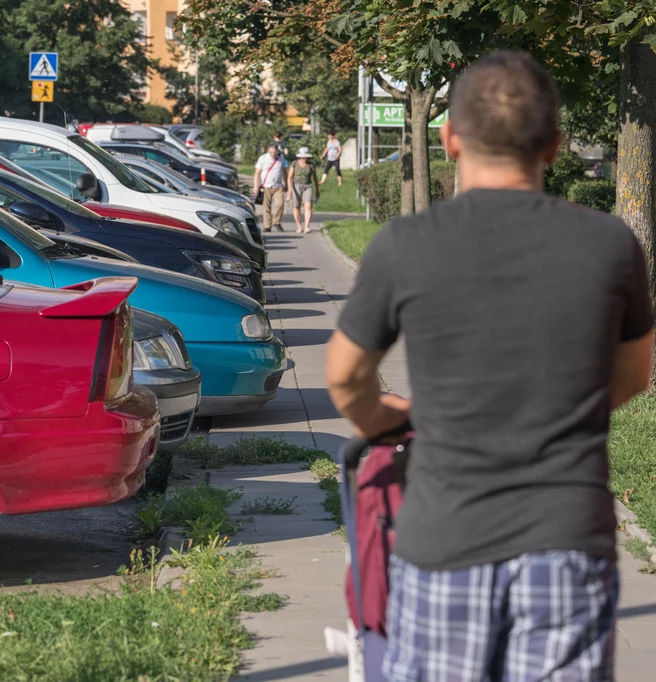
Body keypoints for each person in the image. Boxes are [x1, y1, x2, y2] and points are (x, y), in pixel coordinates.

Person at [325, 50, 653, 682]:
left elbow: (343, 376)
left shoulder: (407, 244)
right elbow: (637, 374)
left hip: (445, 541)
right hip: (567, 540)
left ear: (448, 139)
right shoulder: (611, 245)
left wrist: (391, 417)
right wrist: (561, 407)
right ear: (555, 145)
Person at [253, 142, 287, 232]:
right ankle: (268, 226)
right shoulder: (263, 158)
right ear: (268, 150)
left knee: (280, 204)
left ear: (277, 151)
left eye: (274, 152)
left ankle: (277, 222)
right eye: (271, 152)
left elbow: (284, 171)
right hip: (266, 186)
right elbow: (257, 173)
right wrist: (256, 186)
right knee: (266, 207)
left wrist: (287, 183)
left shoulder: (281, 158)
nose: (273, 154)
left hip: (278, 186)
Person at [288, 146, 319, 234]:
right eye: (302, 157)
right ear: (299, 157)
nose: (304, 159)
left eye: (306, 158)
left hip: (308, 186)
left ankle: (307, 226)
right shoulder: (294, 163)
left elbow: (315, 178)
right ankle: (299, 226)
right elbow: (289, 177)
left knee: (308, 206)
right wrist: (290, 189)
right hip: (296, 186)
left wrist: (317, 190)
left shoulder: (311, 165)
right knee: (296, 206)